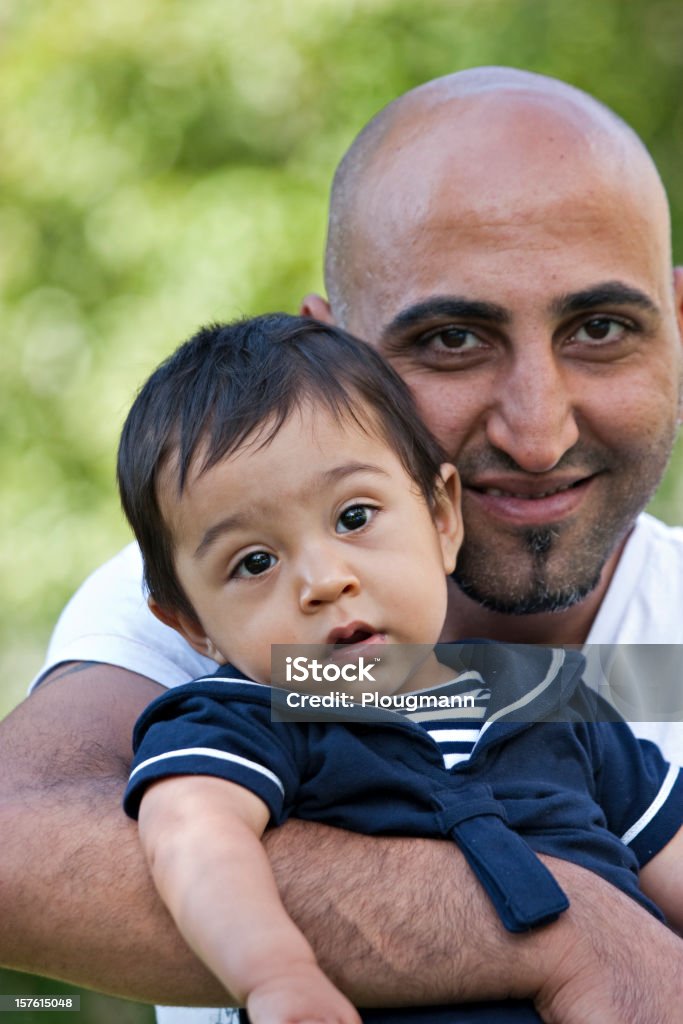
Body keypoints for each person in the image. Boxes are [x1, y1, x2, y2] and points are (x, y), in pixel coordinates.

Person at [2, 66, 683, 1023]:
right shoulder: (236, 623)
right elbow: (15, 843)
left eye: (601, 328)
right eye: (451, 340)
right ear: (343, 356)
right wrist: (561, 931)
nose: (538, 433)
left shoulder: (577, 687)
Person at [117, 313, 683, 1024]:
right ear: (191, 623)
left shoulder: (543, 691)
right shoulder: (249, 719)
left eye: (354, 516)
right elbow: (193, 838)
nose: (324, 579)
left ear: (442, 517)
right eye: (254, 562)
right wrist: (276, 974)